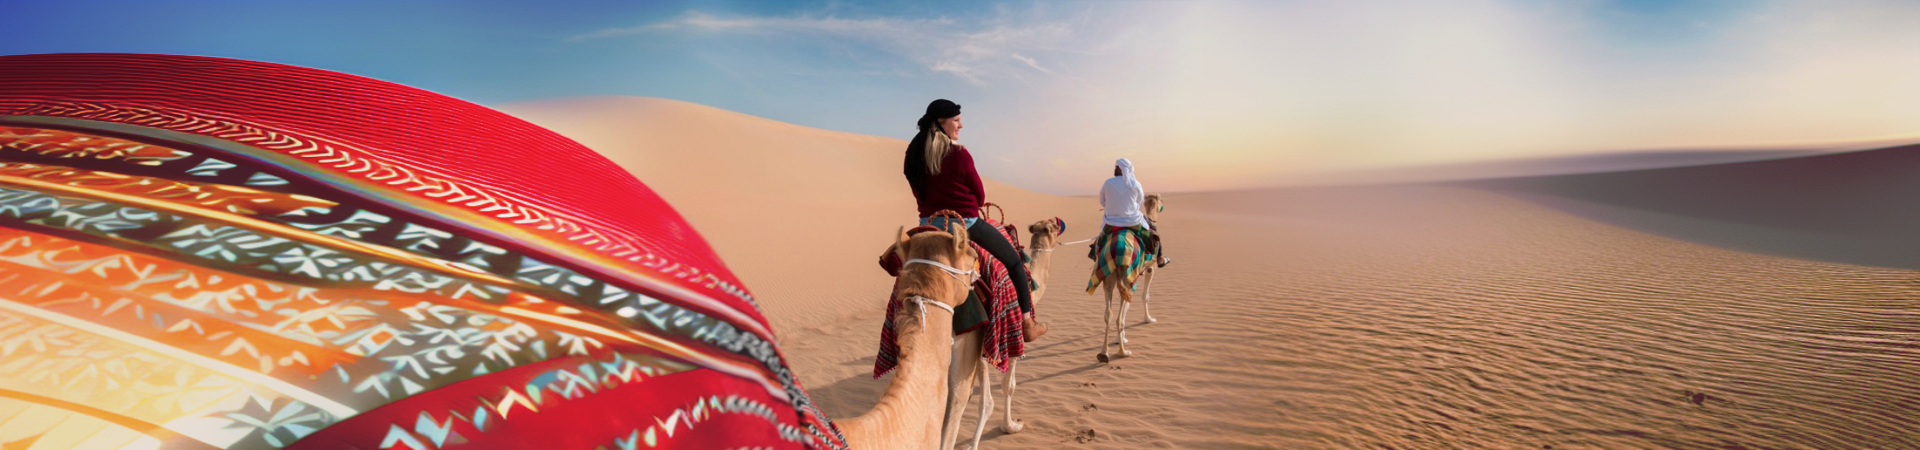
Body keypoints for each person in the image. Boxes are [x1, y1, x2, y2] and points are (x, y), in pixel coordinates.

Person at [903, 99, 1048, 342]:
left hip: (927, 224)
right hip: (965, 224)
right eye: (956, 120)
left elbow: (918, 193)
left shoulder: (913, 156)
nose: (961, 125)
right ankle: (1027, 324)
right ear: (941, 122)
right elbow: (979, 196)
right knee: (1014, 263)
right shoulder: (959, 154)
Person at [1096, 158, 1170, 267]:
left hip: (1111, 222)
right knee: (1153, 229)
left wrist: (1112, 208)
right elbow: (1139, 203)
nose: (1115, 169)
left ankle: (1095, 256)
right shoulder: (1136, 184)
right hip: (1133, 221)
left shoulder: (1108, 183)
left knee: (1100, 239)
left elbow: (1102, 201)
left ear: (1120, 169)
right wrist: (1129, 208)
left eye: (1117, 167)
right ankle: (1159, 258)